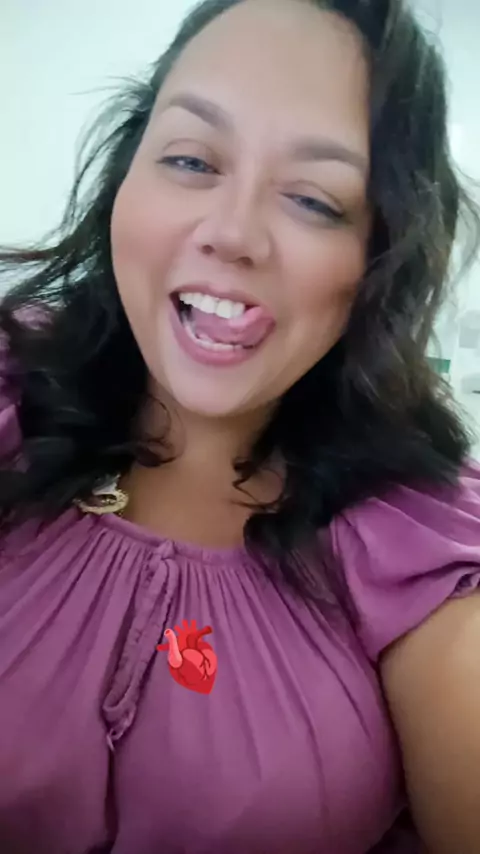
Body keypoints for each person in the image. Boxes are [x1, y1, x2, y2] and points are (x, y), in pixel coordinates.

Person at [0, 0, 479, 851]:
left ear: (379, 253)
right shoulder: (11, 384)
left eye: (314, 200)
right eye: (190, 159)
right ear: (126, 176)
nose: (231, 234)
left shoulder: (422, 542)